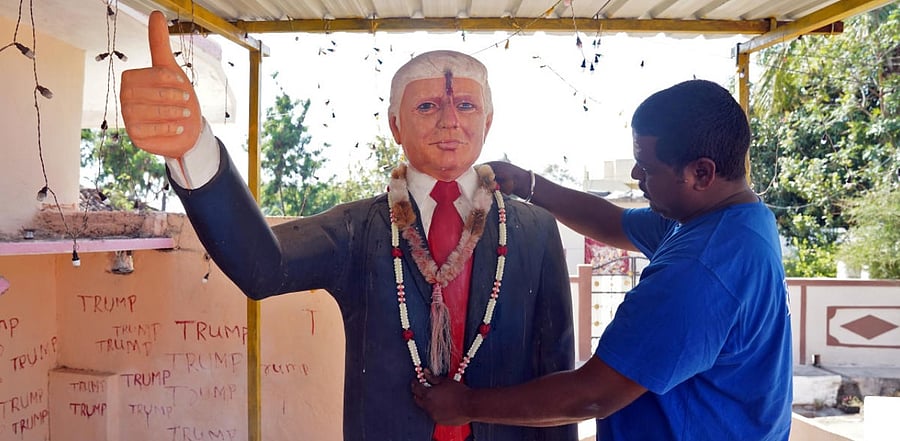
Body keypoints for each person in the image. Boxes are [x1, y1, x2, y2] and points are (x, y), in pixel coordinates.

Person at [120, 10, 577, 441]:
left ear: (489, 121)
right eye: (427, 107)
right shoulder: (360, 229)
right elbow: (262, 267)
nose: (449, 121)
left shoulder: (533, 230)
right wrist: (193, 150)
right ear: (395, 125)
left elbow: (558, 372)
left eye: (465, 105)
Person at [413, 79, 793, 440]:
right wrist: (531, 185)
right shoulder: (731, 220)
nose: (635, 175)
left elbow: (593, 394)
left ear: (701, 173)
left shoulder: (699, 270)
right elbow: (614, 223)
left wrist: (466, 404)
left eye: (646, 166)